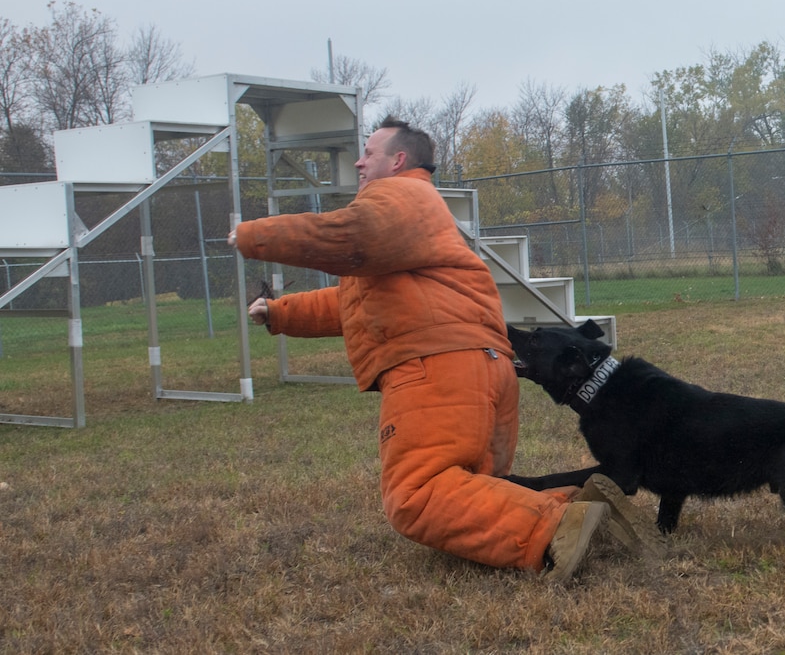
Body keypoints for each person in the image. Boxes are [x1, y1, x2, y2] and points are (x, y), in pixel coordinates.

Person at [227, 116, 663, 581]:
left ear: (398, 160)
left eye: (368, 153)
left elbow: (348, 235)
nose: (358, 161)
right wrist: (280, 313)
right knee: (472, 489)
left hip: (436, 372)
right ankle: (580, 503)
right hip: (484, 368)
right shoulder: (416, 219)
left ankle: (555, 526)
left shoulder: (398, 196)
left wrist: (255, 235)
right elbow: (355, 303)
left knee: (417, 494)